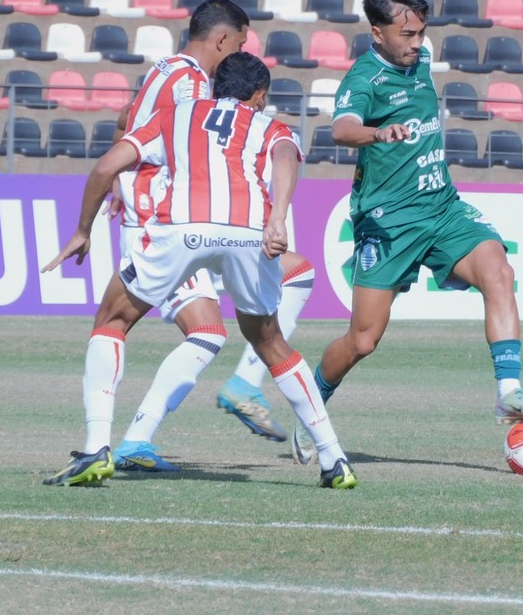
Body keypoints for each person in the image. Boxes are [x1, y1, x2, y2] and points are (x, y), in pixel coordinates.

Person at [42, 51, 357, 490]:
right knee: (270, 341)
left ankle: (98, 448)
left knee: (112, 322)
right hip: (248, 232)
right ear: (260, 94)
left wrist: (81, 229)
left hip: (180, 229)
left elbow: (106, 167)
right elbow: (286, 158)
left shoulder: (174, 115)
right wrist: (279, 217)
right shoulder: (271, 126)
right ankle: (334, 459)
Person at [291, 0, 523, 465]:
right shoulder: (364, 80)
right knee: (363, 340)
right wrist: (377, 132)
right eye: (406, 34)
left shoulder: (422, 59)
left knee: (499, 270)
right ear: (377, 31)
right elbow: (341, 129)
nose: (416, 43)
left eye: (421, 32)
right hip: (389, 222)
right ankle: (311, 408)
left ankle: (509, 389)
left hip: (442, 205)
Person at [101, 0, 310, 473]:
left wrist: (119, 178)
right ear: (222, 40)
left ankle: (135, 438)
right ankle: (134, 436)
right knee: (203, 327)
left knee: (209, 331)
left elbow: (125, 124)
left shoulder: (164, 70)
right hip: (168, 222)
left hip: (168, 217)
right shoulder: (193, 83)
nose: (237, 54)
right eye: (238, 44)